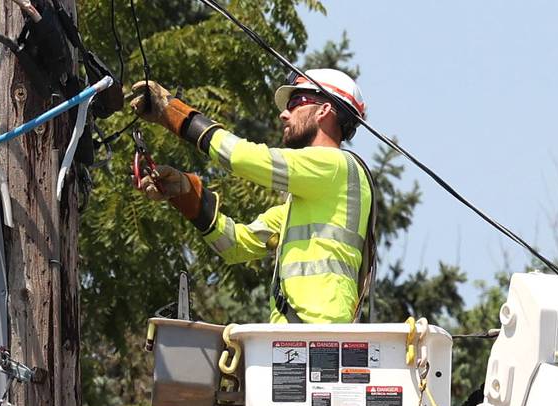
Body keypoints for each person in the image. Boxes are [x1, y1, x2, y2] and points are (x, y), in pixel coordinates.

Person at [131, 69, 376, 324]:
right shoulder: (309, 202)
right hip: (300, 342)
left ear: (324, 110)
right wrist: (185, 194)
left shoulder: (335, 165)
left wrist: (171, 112)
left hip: (319, 337)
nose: (284, 114)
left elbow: (239, 156)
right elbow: (235, 245)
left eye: (294, 104)